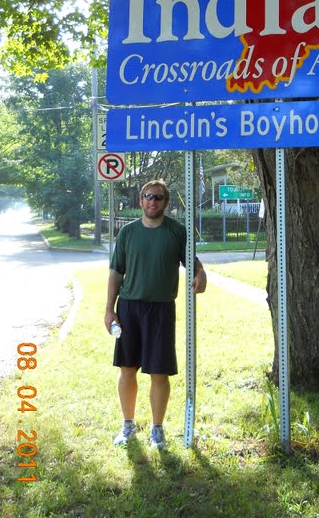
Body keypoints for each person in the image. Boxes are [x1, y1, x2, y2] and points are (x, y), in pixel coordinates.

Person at [104, 179, 207, 449]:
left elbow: (194, 264)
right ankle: (128, 425)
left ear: (166, 202)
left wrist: (201, 274)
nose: (153, 201)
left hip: (161, 309)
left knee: (159, 373)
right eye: (148, 196)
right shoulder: (127, 232)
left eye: (159, 197)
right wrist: (109, 310)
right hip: (129, 308)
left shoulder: (177, 232)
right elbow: (116, 272)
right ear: (140, 200)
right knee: (127, 368)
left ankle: (157, 429)